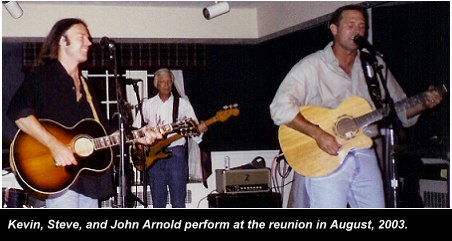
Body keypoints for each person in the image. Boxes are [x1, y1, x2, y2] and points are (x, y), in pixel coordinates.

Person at [269, 5, 443, 208]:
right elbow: (280, 107)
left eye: (362, 26)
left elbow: (399, 109)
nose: (358, 31)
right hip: (326, 156)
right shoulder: (313, 66)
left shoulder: (373, 65)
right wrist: (318, 133)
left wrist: (423, 104)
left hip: (364, 151)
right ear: (334, 29)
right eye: (350, 25)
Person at [7, 18, 162, 208]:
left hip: (90, 180)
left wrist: (137, 136)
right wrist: (55, 145)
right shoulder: (43, 76)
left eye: (88, 38)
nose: (89, 43)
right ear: (62, 41)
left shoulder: (86, 87)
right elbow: (18, 112)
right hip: (58, 179)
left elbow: (103, 131)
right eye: (82, 37)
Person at [133, 68, 208, 208]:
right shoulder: (147, 105)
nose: (166, 85)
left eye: (169, 81)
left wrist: (199, 130)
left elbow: (195, 131)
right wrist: (141, 145)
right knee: (158, 202)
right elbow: (136, 130)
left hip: (176, 155)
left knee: (179, 202)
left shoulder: (183, 104)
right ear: (156, 84)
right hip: (154, 158)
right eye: (162, 82)